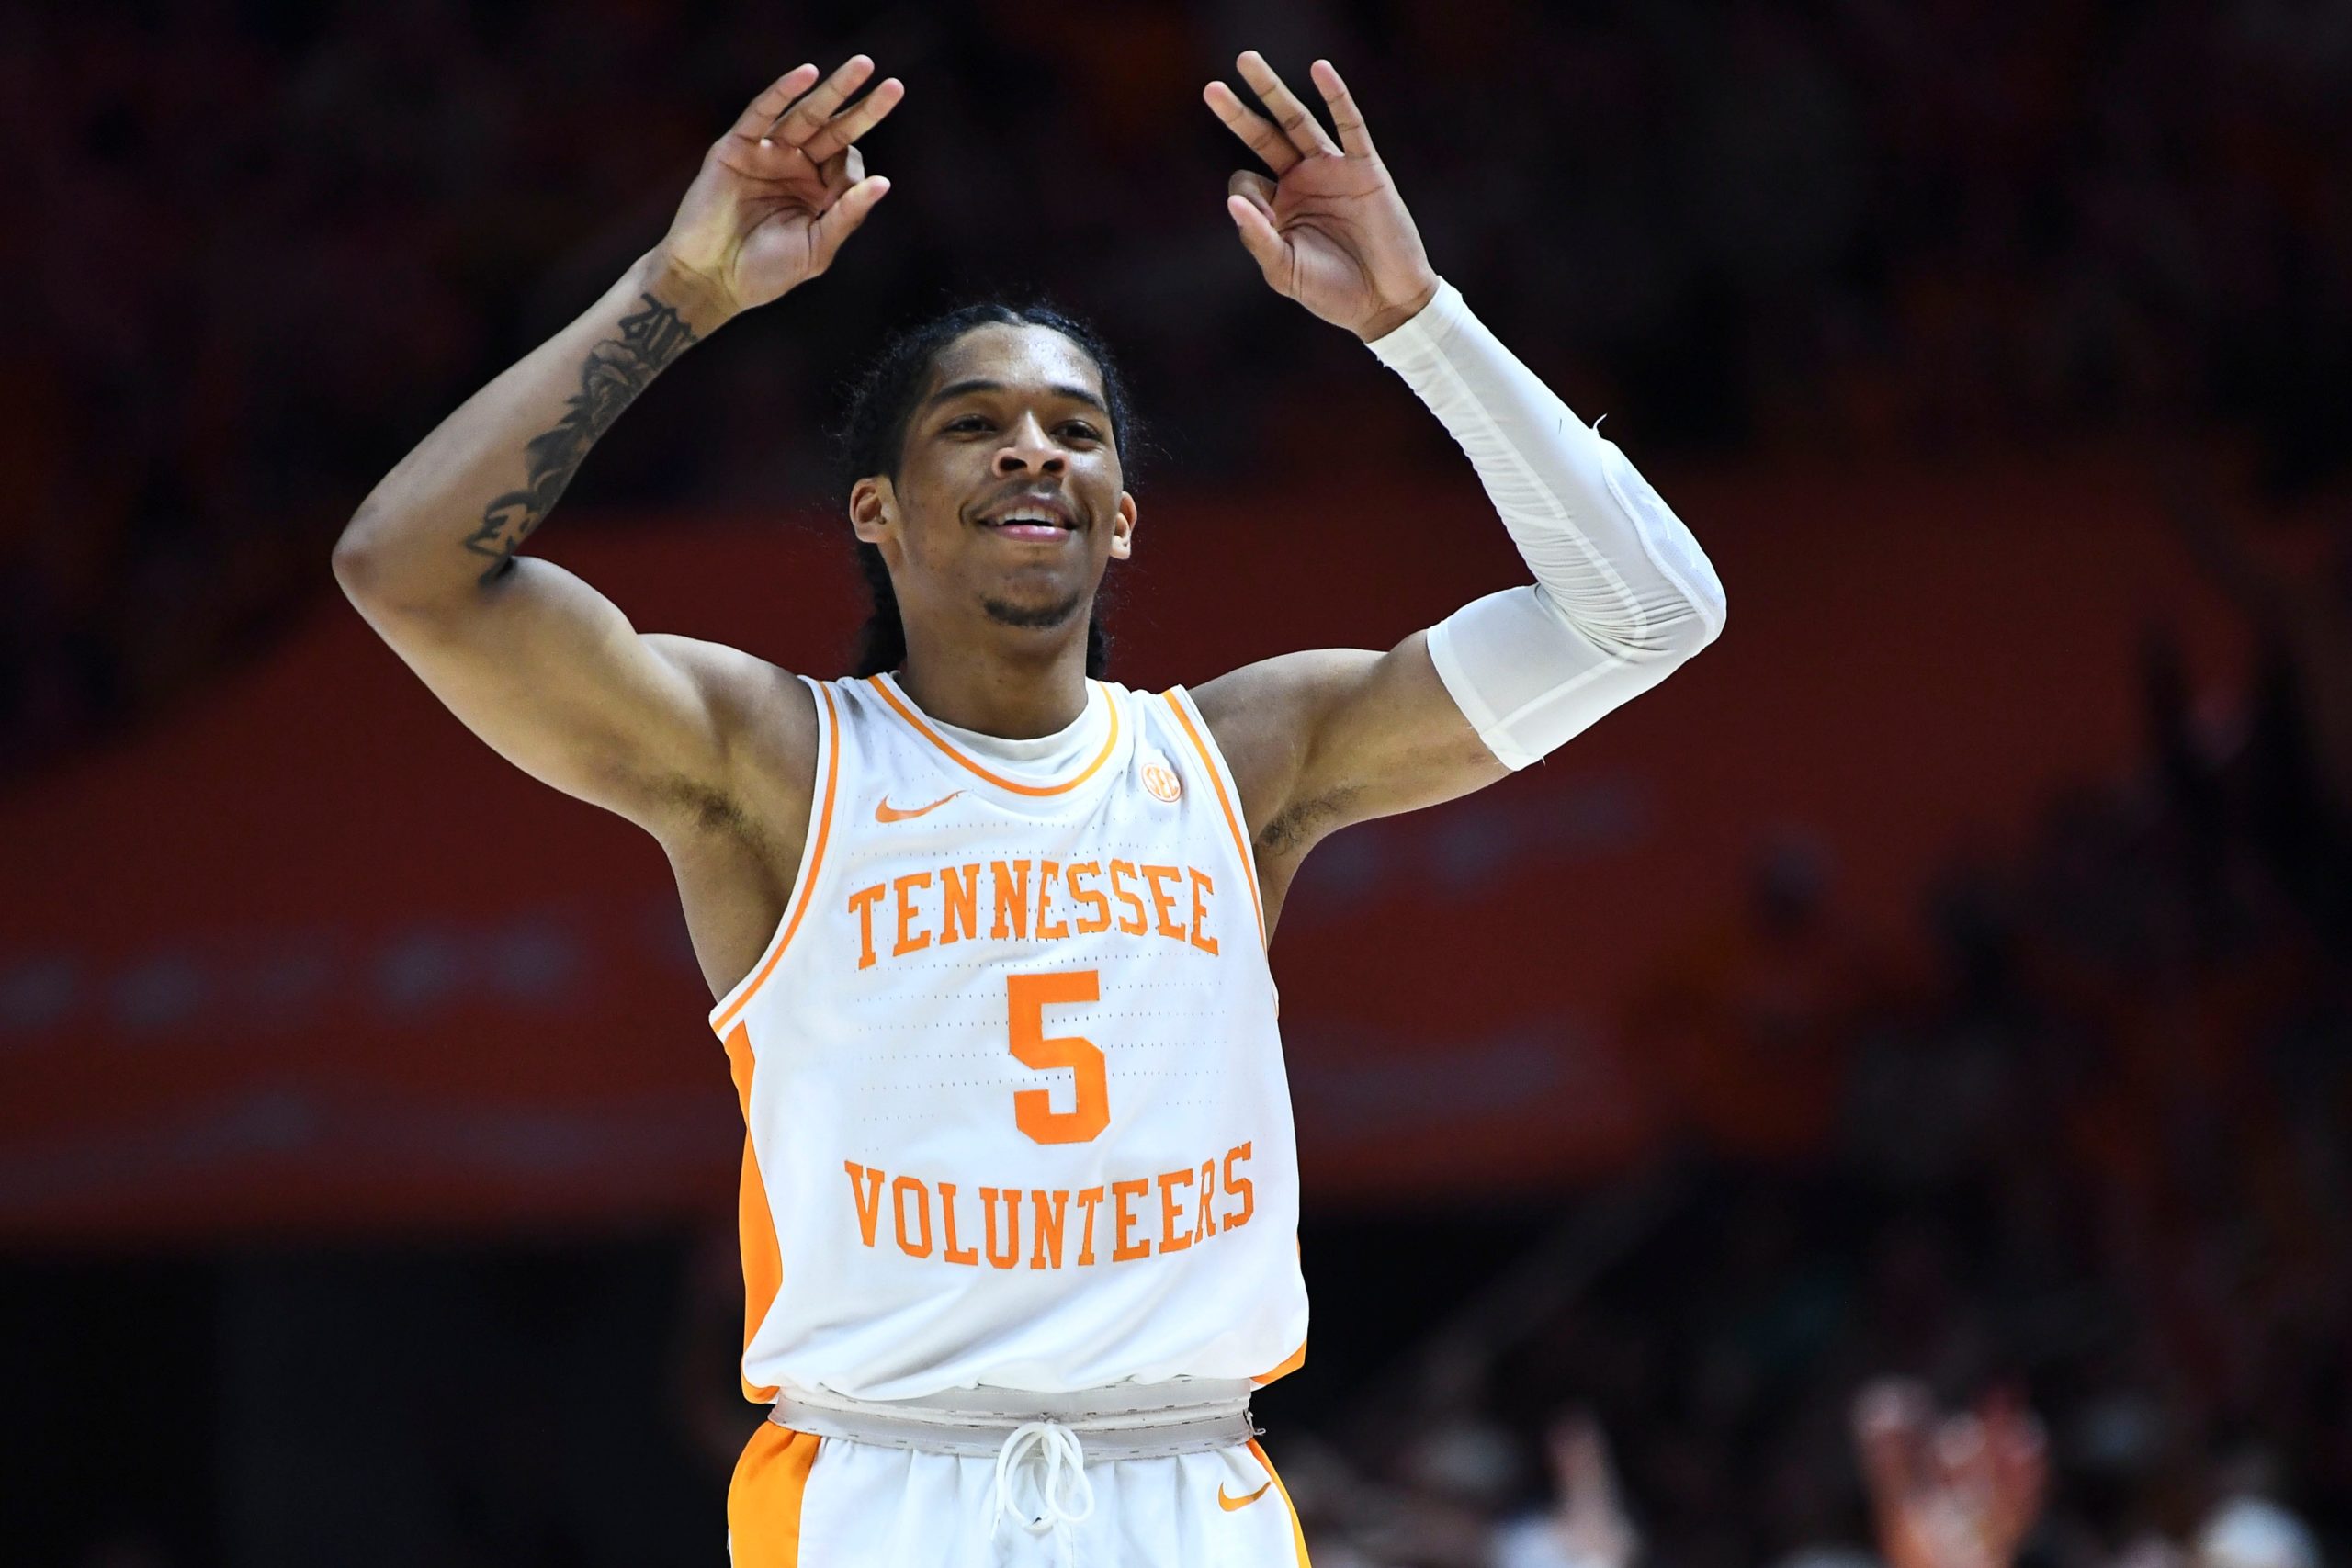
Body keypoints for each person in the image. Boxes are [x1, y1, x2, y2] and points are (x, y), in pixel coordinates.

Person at [331, 47, 1726, 1568]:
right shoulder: (772, 769)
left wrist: (1417, 323)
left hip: (1189, 1487)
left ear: (1123, 521)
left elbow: (1652, 612)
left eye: (1076, 428)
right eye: (973, 422)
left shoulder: (1248, 758)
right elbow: (404, 568)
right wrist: (681, 289)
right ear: (878, 512)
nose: (1031, 448)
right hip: (883, 1493)